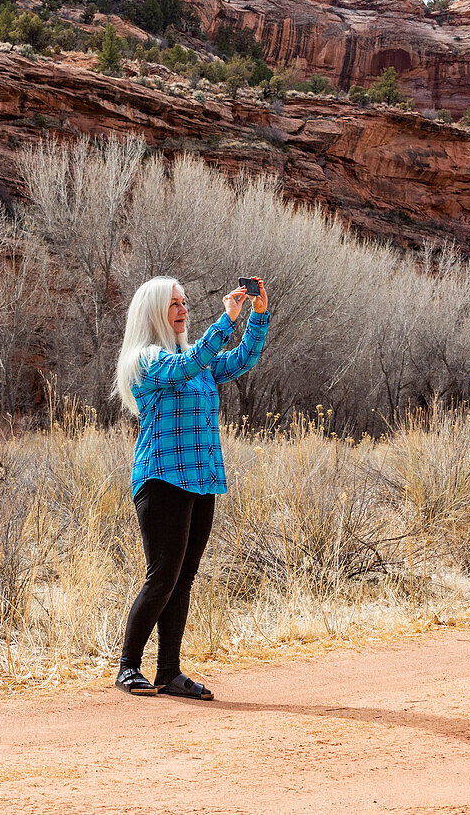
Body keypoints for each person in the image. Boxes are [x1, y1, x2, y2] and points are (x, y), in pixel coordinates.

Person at [110, 274, 270, 699]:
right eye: (173, 304)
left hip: (200, 480)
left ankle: (168, 673)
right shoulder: (147, 359)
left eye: (184, 302)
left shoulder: (193, 358)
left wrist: (257, 316)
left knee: (184, 578)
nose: (182, 309)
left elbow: (238, 361)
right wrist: (225, 320)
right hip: (161, 479)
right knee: (162, 575)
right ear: (153, 312)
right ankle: (128, 667)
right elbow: (189, 364)